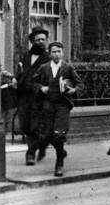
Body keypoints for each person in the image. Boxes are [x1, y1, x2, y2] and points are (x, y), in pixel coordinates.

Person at [33, 42, 83, 176]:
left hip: (62, 104)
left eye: (59, 51)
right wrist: (40, 88)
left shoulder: (68, 68)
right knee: (47, 134)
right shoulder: (43, 68)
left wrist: (74, 90)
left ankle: (59, 162)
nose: (57, 54)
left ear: (62, 53)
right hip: (48, 104)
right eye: (54, 52)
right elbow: (33, 82)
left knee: (59, 134)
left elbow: (80, 83)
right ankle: (61, 152)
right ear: (50, 53)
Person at [12, 26, 51, 166]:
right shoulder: (26, 56)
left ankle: (30, 153)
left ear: (46, 41)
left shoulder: (48, 58)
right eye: (37, 40)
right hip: (23, 95)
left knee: (34, 125)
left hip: (37, 96)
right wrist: (15, 78)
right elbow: (20, 71)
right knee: (24, 124)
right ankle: (39, 143)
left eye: (43, 39)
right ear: (32, 41)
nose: (40, 42)